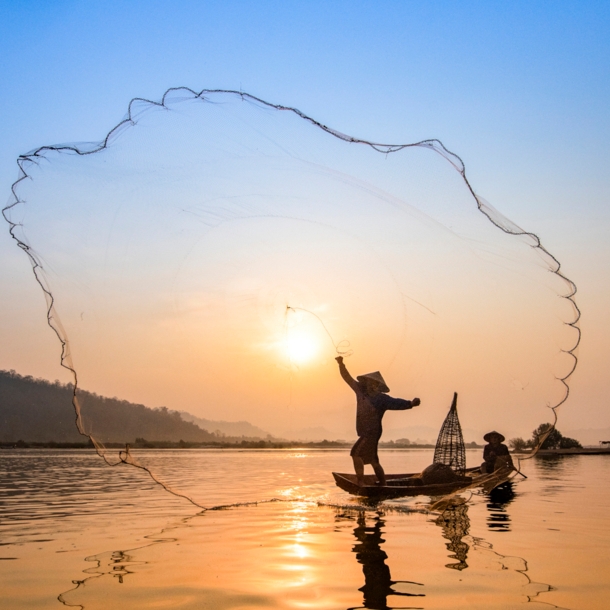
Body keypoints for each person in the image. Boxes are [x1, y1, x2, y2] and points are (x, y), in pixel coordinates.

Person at [336, 356, 420, 486]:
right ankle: (383, 484)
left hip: (372, 432)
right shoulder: (360, 391)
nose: (371, 385)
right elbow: (347, 378)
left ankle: (360, 481)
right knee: (374, 460)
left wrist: (411, 403)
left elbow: (397, 403)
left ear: (377, 386)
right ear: (366, 383)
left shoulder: (382, 399)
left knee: (355, 453)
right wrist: (341, 364)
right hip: (366, 432)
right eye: (369, 382)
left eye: (373, 383)